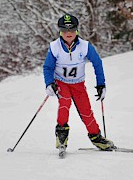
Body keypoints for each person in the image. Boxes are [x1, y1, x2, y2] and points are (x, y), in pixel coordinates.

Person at [43, 14, 114, 152]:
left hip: (78, 84)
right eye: (64, 30)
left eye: (71, 29)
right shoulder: (54, 47)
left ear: (77, 30)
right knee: (65, 103)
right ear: (60, 31)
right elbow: (48, 67)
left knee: (86, 111)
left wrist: (101, 84)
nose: (68, 33)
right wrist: (49, 83)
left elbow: (97, 63)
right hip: (61, 83)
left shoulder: (85, 46)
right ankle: (62, 135)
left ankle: (96, 137)